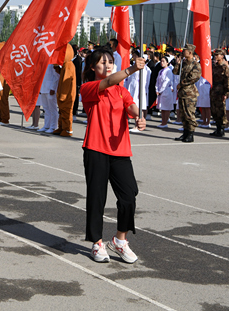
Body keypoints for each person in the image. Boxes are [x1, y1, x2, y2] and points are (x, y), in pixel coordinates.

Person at [80, 46, 146, 264]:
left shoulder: (120, 90)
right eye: (102, 62)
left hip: (120, 150)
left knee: (129, 195)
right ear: (93, 67)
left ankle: (120, 240)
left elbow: (132, 107)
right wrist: (131, 69)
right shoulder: (89, 87)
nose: (107, 65)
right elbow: (107, 81)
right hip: (96, 148)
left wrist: (140, 117)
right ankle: (97, 243)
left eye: (110, 61)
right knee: (97, 197)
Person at [173, 44, 201, 142]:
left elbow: (194, 78)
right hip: (182, 93)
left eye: (184, 51)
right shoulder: (183, 63)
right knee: (183, 114)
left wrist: (181, 84)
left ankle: (190, 134)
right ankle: (185, 133)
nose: (182, 52)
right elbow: (175, 72)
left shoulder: (195, 64)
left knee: (189, 114)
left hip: (190, 93)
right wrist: (178, 63)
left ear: (190, 52)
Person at [55, 45, 76, 136]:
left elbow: (66, 82)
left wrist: (63, 95)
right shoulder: (65, 65)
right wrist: (57, 68)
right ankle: (61, 127)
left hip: (67, 94)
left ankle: (67, 129)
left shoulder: (68, 66)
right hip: (63, 93)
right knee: (61, 111)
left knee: (66, 111)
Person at [210, 49, 229, 137]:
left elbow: (228, 81)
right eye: (215, 55)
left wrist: (226, 93)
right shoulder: (214, 66)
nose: (216, 56)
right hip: (214, 90)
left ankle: (222, 129)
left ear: (222, 56)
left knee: (221, 110)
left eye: (217, 55)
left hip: (221, 91)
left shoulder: (225, 67)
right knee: (214, 110)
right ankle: (217, 128)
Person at [154, 56, 174, 128]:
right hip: (160, 92)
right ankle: (163, 122)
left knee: (166, 108)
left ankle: (165, 122)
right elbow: (157, 81)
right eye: (161, 61)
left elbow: (166, 82)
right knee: (162, 107)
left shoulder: (169, 71)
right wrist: (157, 89)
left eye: (163, 61)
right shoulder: (160, 71)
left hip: (166, 91)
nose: (162, 63)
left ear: (167, 62)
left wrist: (160, 90)